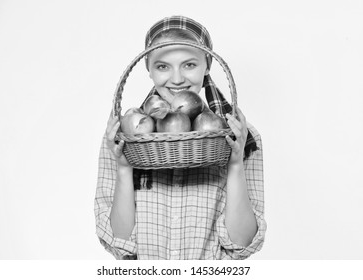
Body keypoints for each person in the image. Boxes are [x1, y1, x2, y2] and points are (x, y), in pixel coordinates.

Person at [94, 15, 266, 260]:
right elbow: (121, 245)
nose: (176, 79)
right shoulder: (125, 137)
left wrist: (235, 163)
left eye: (189, 65)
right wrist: (124, 167)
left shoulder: (238, 135)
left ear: (207, 66)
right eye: (163, 66)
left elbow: (241, 244)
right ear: (149, 70)